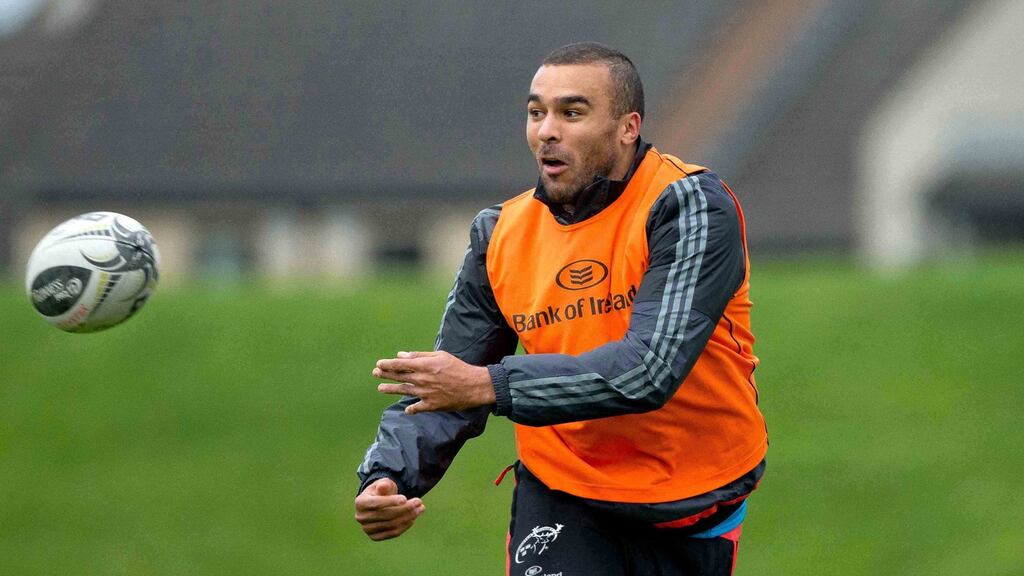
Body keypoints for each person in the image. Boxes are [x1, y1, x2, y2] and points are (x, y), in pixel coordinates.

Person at [355, 42, 767, 576]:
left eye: (572, 113)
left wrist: (490, 385)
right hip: (562, 491)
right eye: (536, 112)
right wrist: (388, 475)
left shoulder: (689, 206)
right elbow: (450, 380)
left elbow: (647, 372)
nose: (547, 131)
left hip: (691, 500)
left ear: (628, 127)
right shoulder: (500, 233)